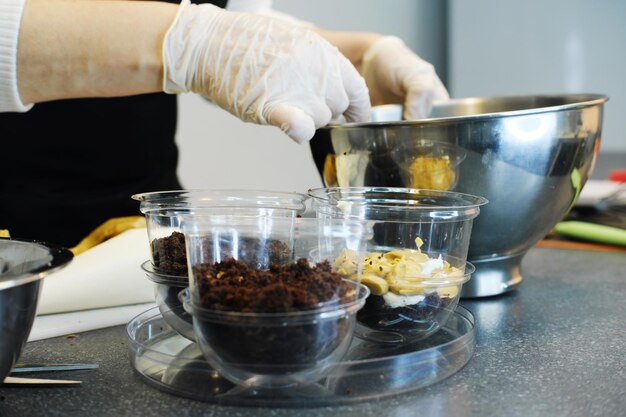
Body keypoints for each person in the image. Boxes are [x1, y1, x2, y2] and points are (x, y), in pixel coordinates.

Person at [0, 0, 449, 248]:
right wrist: (190, 45)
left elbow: (237, 27)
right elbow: (209, 39)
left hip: (135, 225)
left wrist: (355, 57)